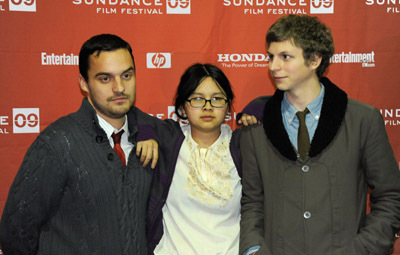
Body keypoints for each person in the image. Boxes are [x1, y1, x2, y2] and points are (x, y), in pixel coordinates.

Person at [239, 14, 400, 255]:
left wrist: (360, 250)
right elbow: (252, 202)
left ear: (314, 59)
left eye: (285, 57)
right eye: (270, 57)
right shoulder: (256, 125)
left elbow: (390, 197)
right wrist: (254, 250)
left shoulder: (362, 120)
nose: (273, 66)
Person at [0, 34, 158, 255]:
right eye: (105, 78)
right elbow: (16, 232)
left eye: (127, 75)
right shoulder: (56, 143)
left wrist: (148, 129)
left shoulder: (150, 134)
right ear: (84, 83)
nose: (119, 87)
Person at [145, 63, 242, 255]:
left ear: (228, 104)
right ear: (183, 105)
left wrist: (254, 109)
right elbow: (130, 115)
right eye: (198, 99)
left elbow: (282, 105)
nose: (207, 107)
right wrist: (144, 133)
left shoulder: (242, 145)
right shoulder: (169, 139)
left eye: (217, 99)